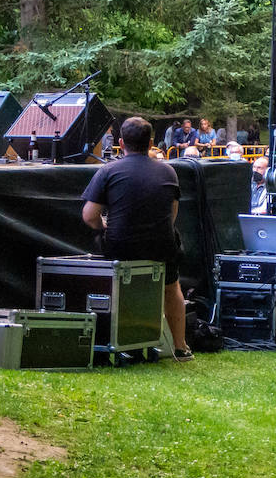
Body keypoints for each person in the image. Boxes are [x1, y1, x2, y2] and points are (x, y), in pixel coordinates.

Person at [80, 117, 193, 361]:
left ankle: (119, 341)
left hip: (121, 244)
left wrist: (105, 225)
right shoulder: (168, 171)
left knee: (113, 276)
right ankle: (181, 346)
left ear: (121, 143)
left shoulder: (108, 171)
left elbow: (89, 217)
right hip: (161, 244)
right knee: (172, 287)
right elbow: (171, 213)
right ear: (151, 142)